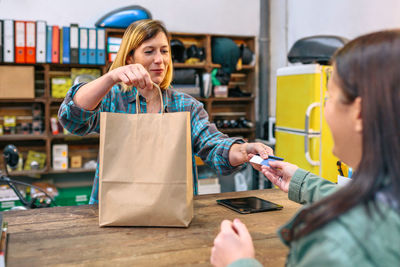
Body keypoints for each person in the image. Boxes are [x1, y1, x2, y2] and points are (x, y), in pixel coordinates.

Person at [211, 30, 400, 267]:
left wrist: (238, 262)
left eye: (329, 97)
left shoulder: (336, 246)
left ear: (359, 113)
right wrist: (303, 182)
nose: (323, 109)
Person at [58, 19, 273, 204]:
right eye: (149, 51)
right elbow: (72, 119)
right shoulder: (112, 99)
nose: (159, 59)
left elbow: (214, 146)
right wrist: (111, 76)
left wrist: (245, 150)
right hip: (114, 211)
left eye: (164, 51)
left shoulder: (186, 106)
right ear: (130, 58)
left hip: (170, 211)